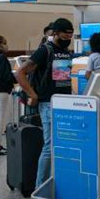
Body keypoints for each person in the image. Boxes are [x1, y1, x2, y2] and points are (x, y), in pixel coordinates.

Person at [15, 18, 74, 188]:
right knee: (50, 145)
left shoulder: (66, 51)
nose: (68, 37)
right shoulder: (45, 51)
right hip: (48, 103)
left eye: (71, 34)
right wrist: (32, 94)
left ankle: (56, 182)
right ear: (56, 33)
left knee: (61, 144)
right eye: (65, 33)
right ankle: (40, 187)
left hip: (65, 103)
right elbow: (20, 72)